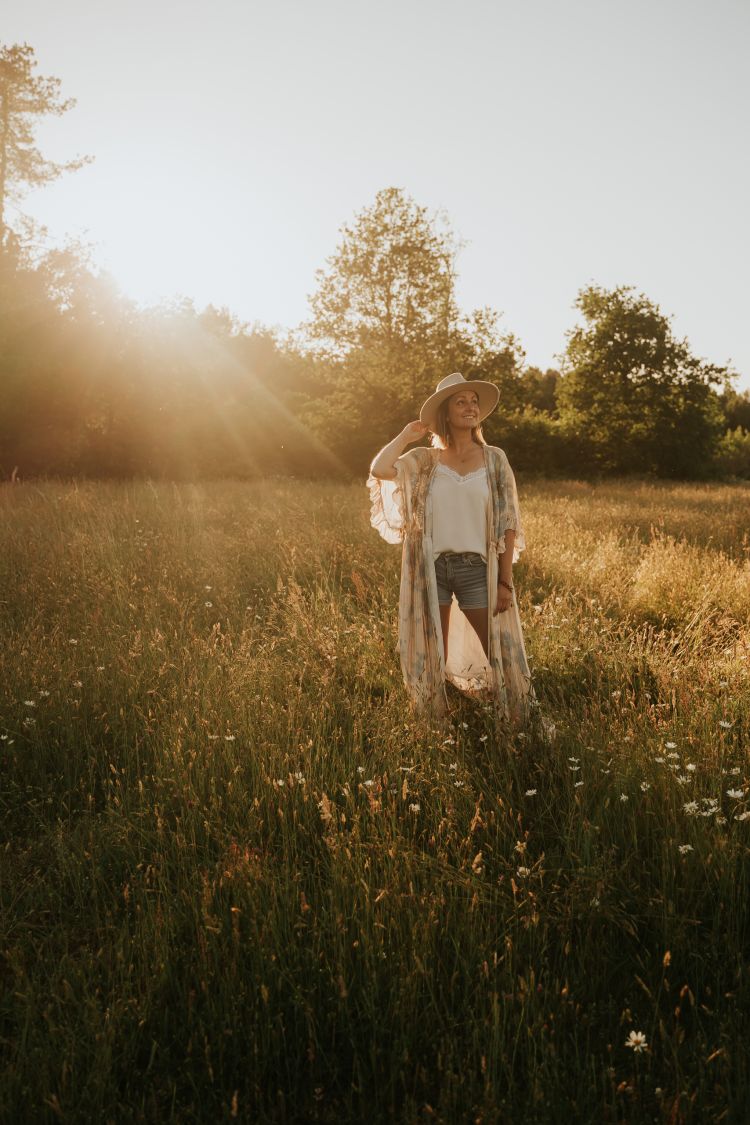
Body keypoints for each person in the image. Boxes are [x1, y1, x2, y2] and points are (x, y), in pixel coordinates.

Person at [368, 371, 534, 725]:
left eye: (473, 401)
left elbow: (508, 522)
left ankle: (520, 722)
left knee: (502, 653)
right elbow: (380, 469)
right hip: (432, 571)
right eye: (461, 401)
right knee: (431, 653)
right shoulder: (424, 461)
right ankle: (435, 726)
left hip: (477, 569)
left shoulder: (494, 459)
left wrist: (505, 581)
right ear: (445, 412)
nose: (470, 407)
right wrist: (405, 436)